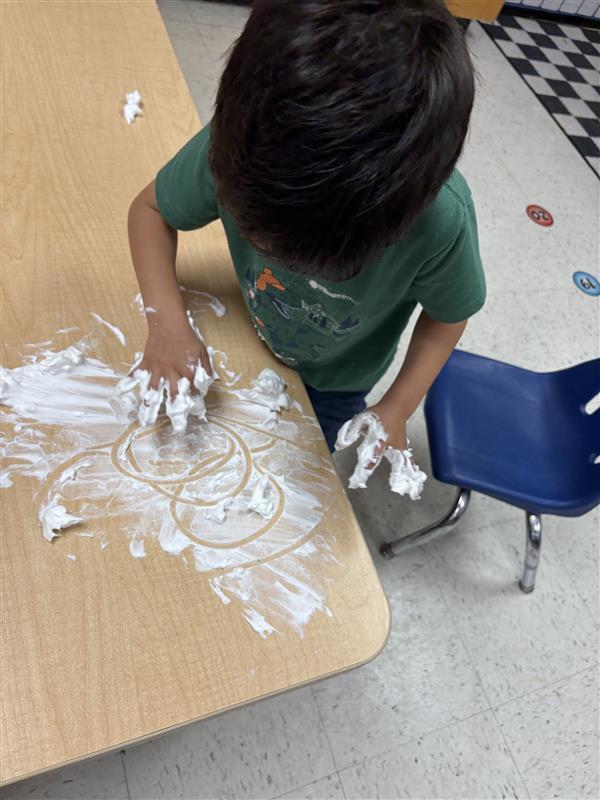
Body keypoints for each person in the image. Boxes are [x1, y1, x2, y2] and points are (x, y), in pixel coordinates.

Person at [128, 0, 485, 453]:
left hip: (337, 380)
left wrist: (398, 406)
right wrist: (166, 323)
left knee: (306, 467)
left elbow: (448, 317)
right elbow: (150, 212)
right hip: (246, 329)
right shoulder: (245, 146)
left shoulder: (440, 221)